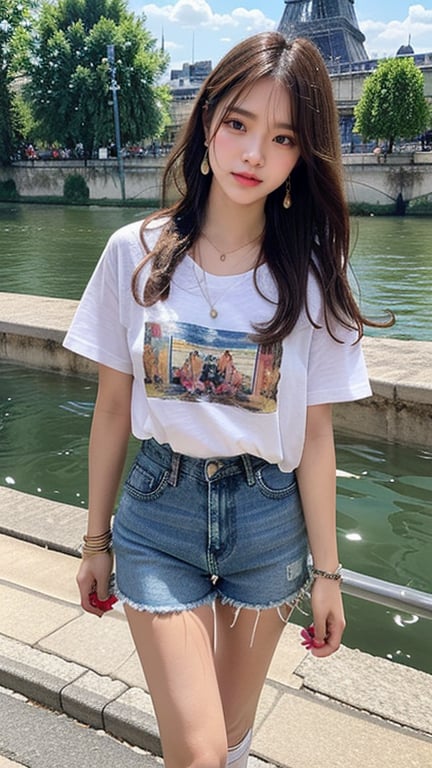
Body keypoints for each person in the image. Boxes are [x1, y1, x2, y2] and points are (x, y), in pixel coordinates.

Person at [63, 31, 390, 768]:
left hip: (269, 525)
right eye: (238, 123)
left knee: (233, 739)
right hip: (158, 515)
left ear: (302, 156)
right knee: (200, 751)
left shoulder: (313, 273)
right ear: (206, 122)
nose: (253, 155)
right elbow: (113, 408)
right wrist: (94, 540)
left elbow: (316, 437)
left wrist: (330, 576)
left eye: (281, 137)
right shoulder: (134, 253)